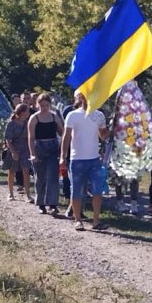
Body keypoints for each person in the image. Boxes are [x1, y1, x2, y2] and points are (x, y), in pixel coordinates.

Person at [60, 90, 109, 231]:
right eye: (86, 95)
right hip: (77, 159)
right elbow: (66, 137)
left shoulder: (99, 115)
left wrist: (116, 127)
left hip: (94, 159)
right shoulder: (72, 115)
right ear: (81, 97)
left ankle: (96, 221)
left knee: (97, 191)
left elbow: (103, 136)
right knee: (76, 191)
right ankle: (77, 220)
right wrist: (62, 157)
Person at [28, 93, 63, 215]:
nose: (44, 107)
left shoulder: (54, 117)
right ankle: (41, 203)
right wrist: (33, 154)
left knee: (53, 176)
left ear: (50, 105)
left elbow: (62, 132)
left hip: (53, 147)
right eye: (42, 105)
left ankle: (53, 204)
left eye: (47, 105)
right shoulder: (34, 118)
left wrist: (62, 148)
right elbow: (31, 137)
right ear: (38, 105)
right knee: (40, 177)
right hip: (39, 147)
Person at [3, 104, 32, 201]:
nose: (29, 113)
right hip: (13, 149)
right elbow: (8, 139)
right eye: (27, 111)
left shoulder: (28, 123)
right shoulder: (11, 124)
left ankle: (28, 195)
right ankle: (10, 193)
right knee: (11, 171)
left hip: (25, 149)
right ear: (22, 112)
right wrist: (13, 152)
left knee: (26, 171)